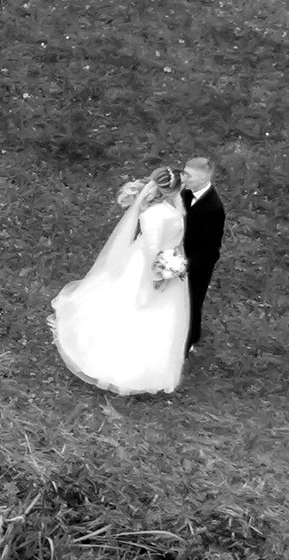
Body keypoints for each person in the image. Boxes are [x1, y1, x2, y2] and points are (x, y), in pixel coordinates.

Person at [48, 167, 191, 397]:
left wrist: (173, 260)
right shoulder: (155, 214)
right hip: (148, 266)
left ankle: (152, 366)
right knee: (137, 310)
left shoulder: (170, 208)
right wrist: (158, 274)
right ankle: (126, 367)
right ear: (173, 189)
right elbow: (152, 248)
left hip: (166, 259)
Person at [179, 155, 225, 349]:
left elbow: (211, 248)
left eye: (188, 175)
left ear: (203, 180)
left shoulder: (214, 208)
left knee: (192, 300)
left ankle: (190, 339)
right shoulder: (186, 193)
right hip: (179, 253)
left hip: (198, 265)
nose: (183, 178)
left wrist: (187, 264)